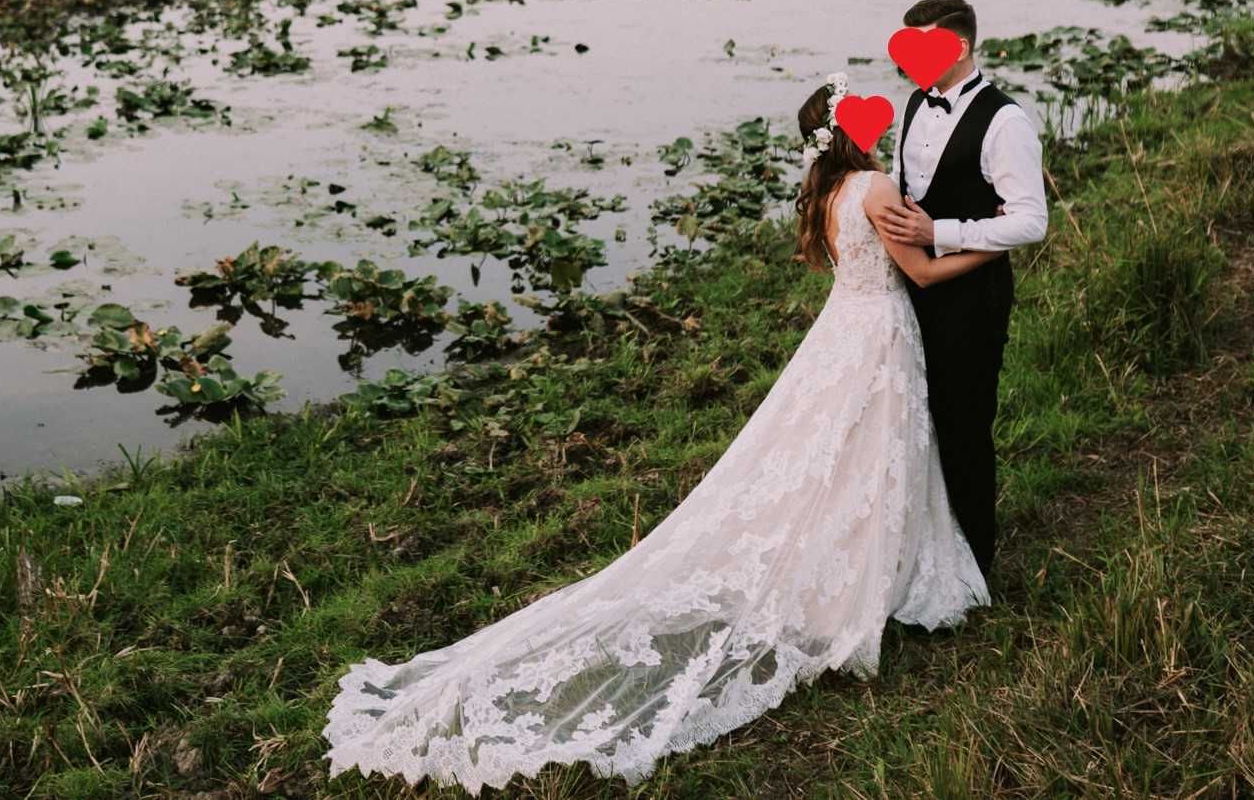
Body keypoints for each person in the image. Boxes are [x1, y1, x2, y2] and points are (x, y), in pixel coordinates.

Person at [323, 74, 993, 793]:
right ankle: (862, 581)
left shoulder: (828, 195)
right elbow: (920, 272)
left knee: (835, 451)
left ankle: (846, 570)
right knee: (868, 450)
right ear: (852, 129)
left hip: (841, 331)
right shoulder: (875, 189)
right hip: (879, 333)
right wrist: (995, 243)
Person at [872, 0, 1049, 585]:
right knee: (915, 419)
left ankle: (974, 565)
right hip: (911, 290)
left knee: (965, 425)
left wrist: (939, 231)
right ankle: (923, 555)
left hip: (972, 298)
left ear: (961, 47)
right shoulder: (914, 102)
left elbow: (1030, 221)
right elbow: (907, 182)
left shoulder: (1006, 122)